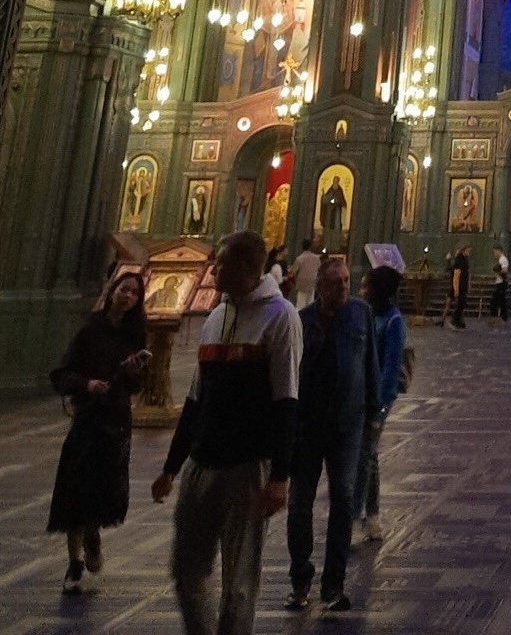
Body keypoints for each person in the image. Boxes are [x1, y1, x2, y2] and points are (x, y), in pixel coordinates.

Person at [152, 229, 301, 635]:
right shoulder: (216, 316)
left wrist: (279, 476)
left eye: (221, 262)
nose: (213, 269)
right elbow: (198, 397)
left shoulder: (280, 316)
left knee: (238, 584)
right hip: (203, 461)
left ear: (247, 267)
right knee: (186, 573)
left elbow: (286, 400)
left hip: (247, 464)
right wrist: (172, 465)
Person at [284, 256, 379, 611]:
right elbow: (290, 373)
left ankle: (333, 585)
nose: (343, 287)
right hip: (307, 428)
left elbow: (370, 363)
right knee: (299, 505)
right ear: (320, 286)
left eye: (346, 281)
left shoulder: (360, 313)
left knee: (343, 500)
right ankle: (300, 578)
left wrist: (373, 412)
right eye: (336, 282)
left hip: (347, 425)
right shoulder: (302, 321)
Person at [48, 270, 151, 595]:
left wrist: (134, 374)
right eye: (124, 289)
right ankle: (74, 563)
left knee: (102, 490)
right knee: (74, 490)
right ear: (113, 290)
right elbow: (62, 374)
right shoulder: (90, 329)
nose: (128, 296)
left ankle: (93, 534)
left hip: (116, 422)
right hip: (88, 421)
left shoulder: (135, 336)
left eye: (134, 293)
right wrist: (86, 384)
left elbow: (136, 387)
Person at [356, 264, 406, 542]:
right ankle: (372, 517)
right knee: (368, 456)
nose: (362, 291)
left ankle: (354, 518)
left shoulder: (393, 321)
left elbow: (391, 367)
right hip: (359, 395)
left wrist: (380, 405)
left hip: (377, 400)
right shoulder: (365, 315)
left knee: (364, 456)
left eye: (366, 286)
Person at [291, 236, 321, 313]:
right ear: (310, 246)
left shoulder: (299, 258)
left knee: (300, 306)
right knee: (310, 304)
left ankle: (300, 321)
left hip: (301, 284)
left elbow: (293, 272)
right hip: (312, 284)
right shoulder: (316, 258)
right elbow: (319, 270)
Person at [448, 245, 472, 328]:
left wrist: (468, 285)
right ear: (463, 251)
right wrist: (456, 289)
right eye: (467, 251)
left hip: (464, 285)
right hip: (460, 286)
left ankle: (459, 322)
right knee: (459, 305)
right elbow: (456, 276)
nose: (469, 253)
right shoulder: (458, 261)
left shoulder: (465, 260)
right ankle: (454, 321)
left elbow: (467, 274)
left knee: (462, 304)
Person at [490, 245, 510, 326]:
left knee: (498, 301)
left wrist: (498, 271)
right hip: (500, 282)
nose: (494, 254)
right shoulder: (500, 259)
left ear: (499, 251)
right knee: (499, 300)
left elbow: (504, 270)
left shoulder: (503, 259)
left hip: (501, 283)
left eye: (495, 252)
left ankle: (501, 318)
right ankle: (499, 318)